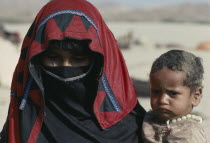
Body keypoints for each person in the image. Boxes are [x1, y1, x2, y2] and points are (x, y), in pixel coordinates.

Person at [0, 0, 146, 143]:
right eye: (53, 58)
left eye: (78, 59)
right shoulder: (22, 120)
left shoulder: (136, 128)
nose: (66, 68)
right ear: (36, 60)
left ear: (98, 62)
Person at [142, 50, 207, 142]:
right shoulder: (148, 118)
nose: (162, 100)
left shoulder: (189, 135)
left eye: (172, 93)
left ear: (195, 96)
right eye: (156, 92)